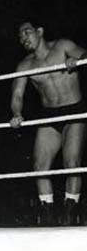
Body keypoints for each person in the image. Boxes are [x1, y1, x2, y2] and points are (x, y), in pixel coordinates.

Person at [10, 20, 87, 226]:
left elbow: (85, 54)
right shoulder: (25, 65)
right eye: (20, 37)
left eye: (27, 32)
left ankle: (71, 208)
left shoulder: (62, 46)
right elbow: (17, 95)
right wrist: (17, 114)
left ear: (40, 31)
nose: (24, 38)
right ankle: (48, 210)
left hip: (74, 111)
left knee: (72, 164)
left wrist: (78, 61)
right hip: (49, 115)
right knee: (40, 166)